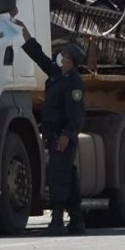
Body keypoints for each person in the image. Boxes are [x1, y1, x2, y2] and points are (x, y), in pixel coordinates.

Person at [12, 16, 86, 236]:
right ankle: (77, 220)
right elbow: (40, 57)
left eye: (65, 55)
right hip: (53, 134)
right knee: (67, 175)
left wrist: (67, 135)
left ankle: (57, 221)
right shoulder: (57, 74)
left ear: (71, 61)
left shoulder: (74, 83)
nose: (61, 56)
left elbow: (76, 114)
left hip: (62, 137)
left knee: (58, 176)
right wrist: (25, 33)